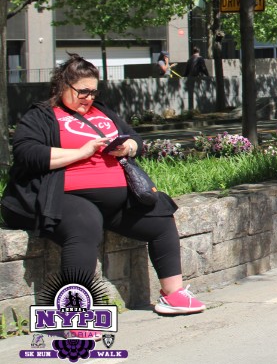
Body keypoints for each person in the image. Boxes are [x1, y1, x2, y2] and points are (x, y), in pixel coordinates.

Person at [1, 54, 205, 315]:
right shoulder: (42, 115)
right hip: (67, 196)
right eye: (83, 92)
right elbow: (27, 154)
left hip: (116, 200)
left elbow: (135, 138)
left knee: (161, 215)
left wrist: (128, 146)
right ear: (62, 86)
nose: (89, 98)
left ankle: (173, 293)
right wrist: (81, 152)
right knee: (84, 225)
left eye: (93, 92)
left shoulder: (102, 111)